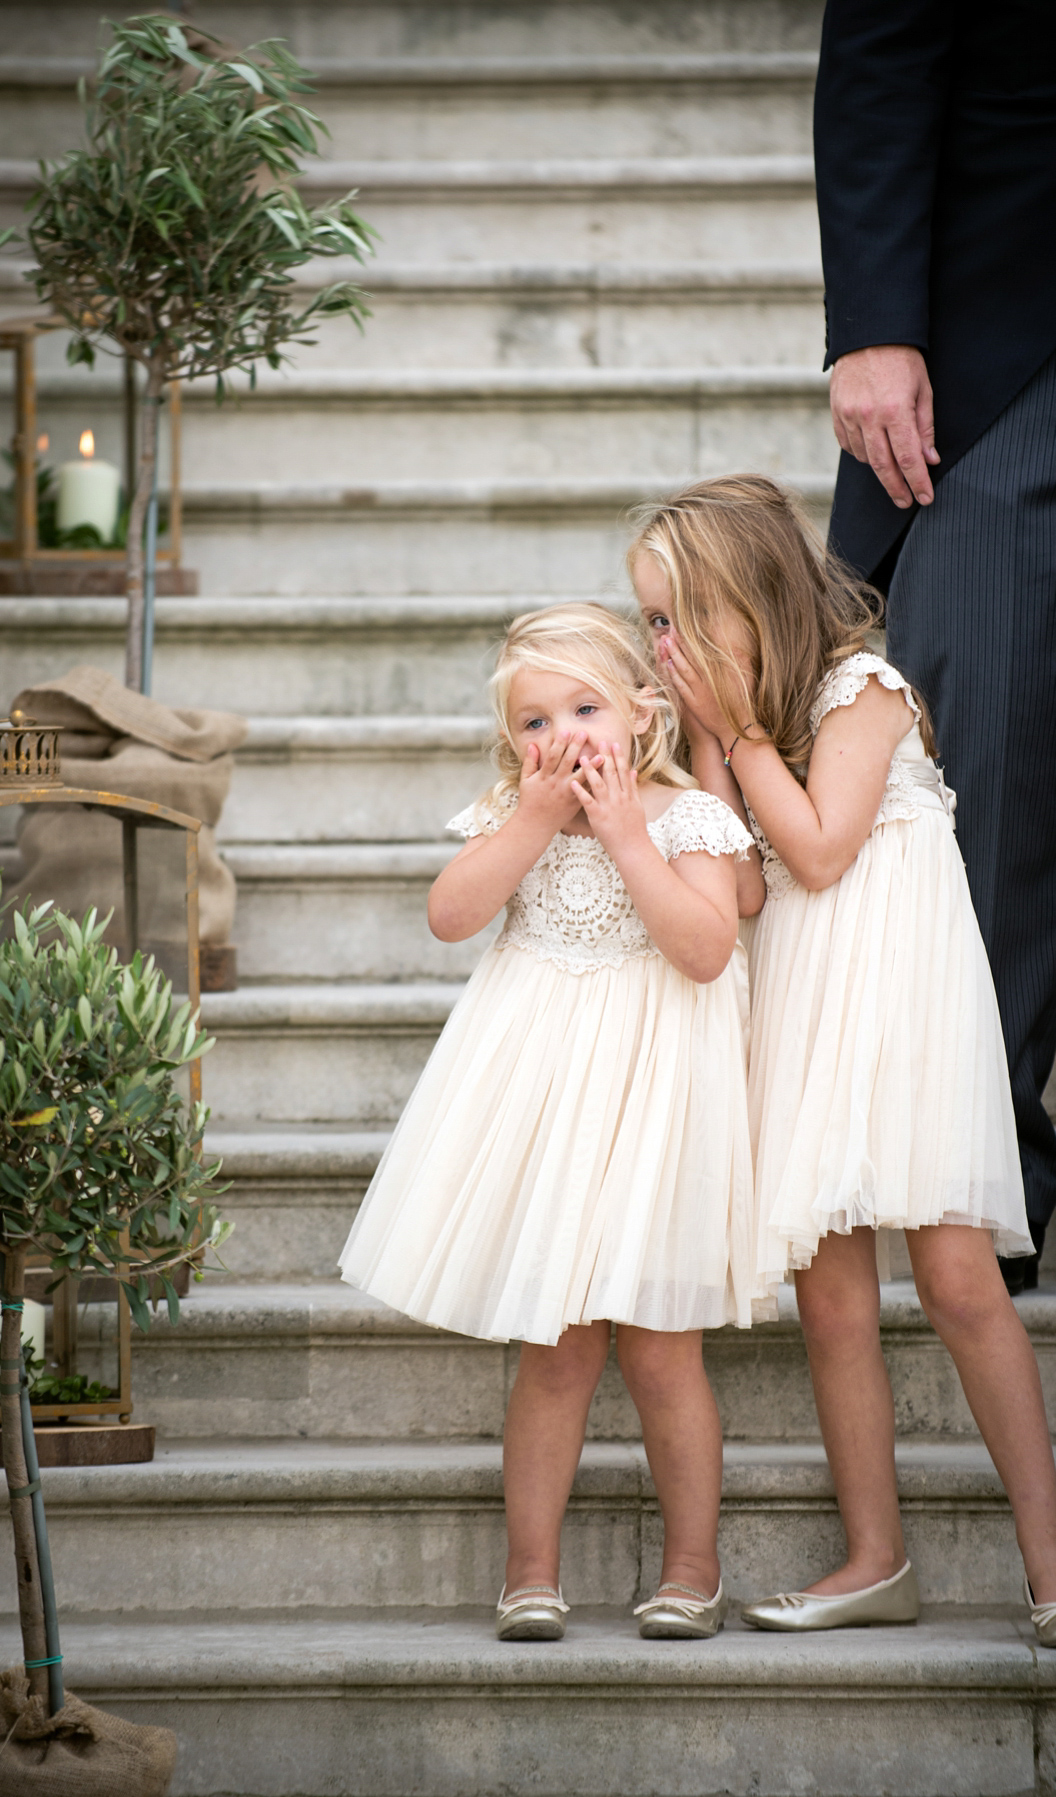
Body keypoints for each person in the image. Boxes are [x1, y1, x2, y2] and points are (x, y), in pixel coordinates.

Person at [629, 474, 1056, 1644]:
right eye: (652, 625)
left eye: (681, 618)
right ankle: (876, 1556)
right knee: (830, 1298)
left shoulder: (864, 689)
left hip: (905, 1006)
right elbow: (754, 885)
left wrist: (741, 734)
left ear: (753, 600)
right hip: (811, 1005)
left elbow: (819, 850)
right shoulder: (742, 726)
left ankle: (1053, 1562)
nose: (664, 646)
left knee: (961, 1279)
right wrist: (714, 758)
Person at [340, 603, 765, 1643]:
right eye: (534, 721)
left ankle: (692, 1569)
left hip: (656, 1104)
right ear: (509, 742)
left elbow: (706, 949)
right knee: (558, 1350)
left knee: (664, 1352)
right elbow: (450, 914)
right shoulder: (514, 813)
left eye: (584, 708)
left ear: (640, 715)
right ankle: (529, 1572)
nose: (561, 736)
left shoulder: (686, 817)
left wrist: (626, 836)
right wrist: (532, 821)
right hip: (545, 1112)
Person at [813, 0, 1056, 1289]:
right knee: (987, 756)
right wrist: (874, 322)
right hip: (1006, 340)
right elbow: (884, 49)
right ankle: (986, 1169)